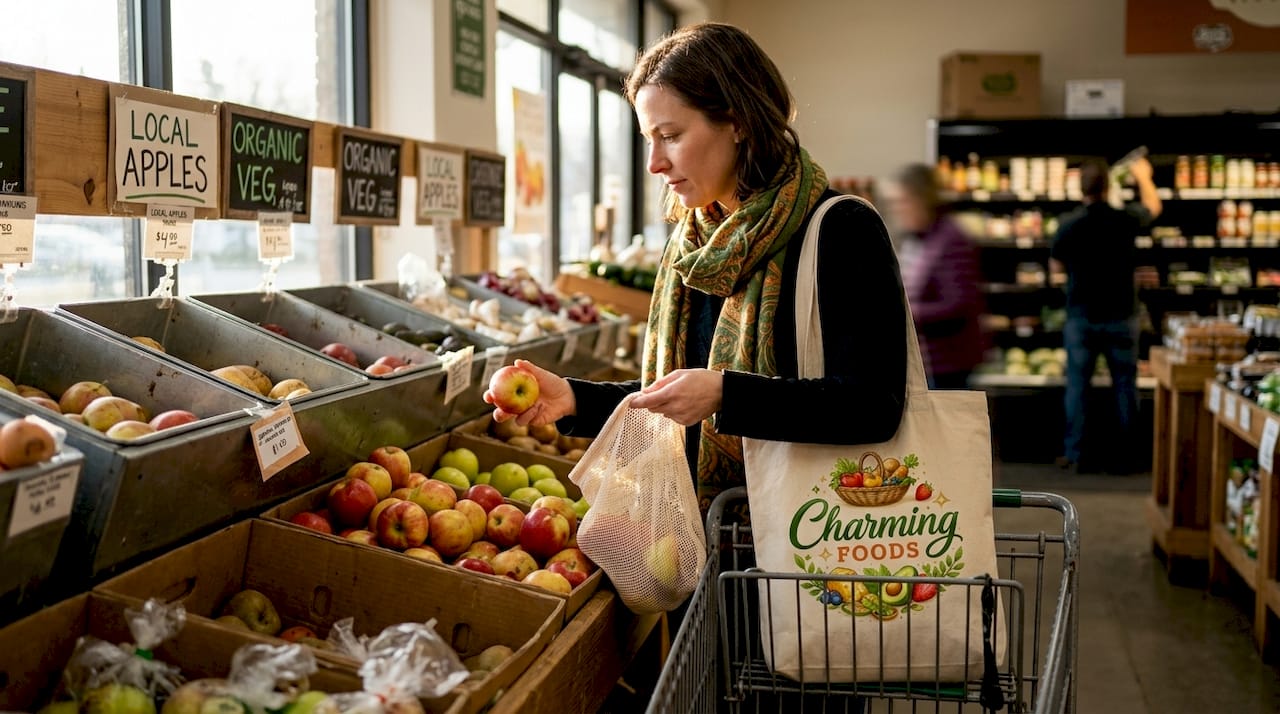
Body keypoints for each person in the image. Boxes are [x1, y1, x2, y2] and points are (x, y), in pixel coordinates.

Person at [482, 22, 908, 512]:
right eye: (648, 139)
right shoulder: (696, 246)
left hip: (807, 546)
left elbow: (874, 407)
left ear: (739, 121)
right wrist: (574, 400)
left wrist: (728, 394)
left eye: (670, 136)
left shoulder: (840, 229)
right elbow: (678, 399)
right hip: (705, 545)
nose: (654, 164)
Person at [1050, 156, 1162, 473]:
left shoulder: (1069, 224)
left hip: (1081, 315)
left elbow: (1056, 265)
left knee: (1077, 386)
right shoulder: (1124, 218)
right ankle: (1130, 455)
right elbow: (1153, 207)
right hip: (1121, 315)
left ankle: (1074, 454)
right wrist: (1143, 176)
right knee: (1126, 386)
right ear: (1109, 186)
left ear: (1079, 188)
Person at [885, 163, 986, 389]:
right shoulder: (918, 237)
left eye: (903, 201)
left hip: (948, 363)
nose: (898, 209)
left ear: (922, 199)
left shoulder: (951, 239)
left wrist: (904, 313)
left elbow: (958, 303)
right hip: (927, 361)